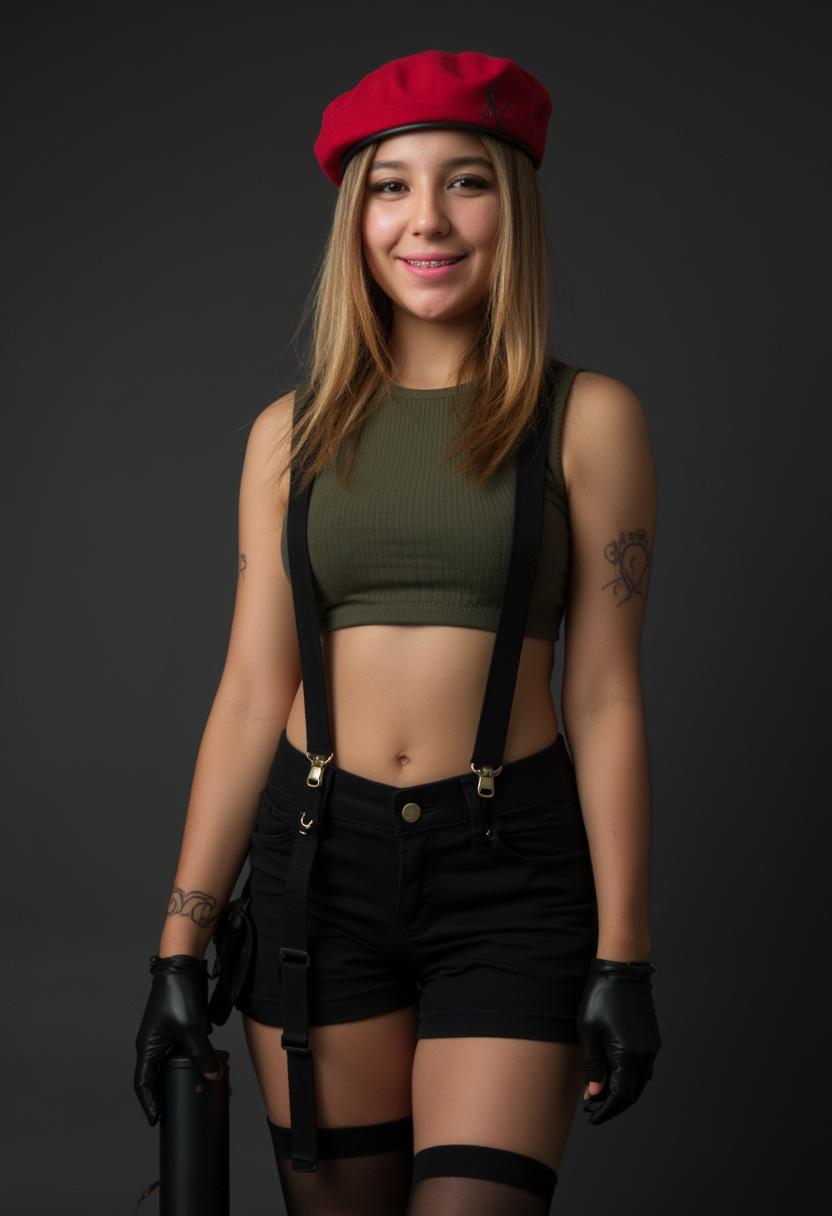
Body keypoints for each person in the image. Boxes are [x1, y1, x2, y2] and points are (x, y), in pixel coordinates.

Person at [134, 48, 661, 1215]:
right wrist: (180, 943)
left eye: (465, 181)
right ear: (354, 218)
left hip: (509, 875)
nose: (427, 219)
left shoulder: (588, 420)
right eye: (389, 186)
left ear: (510, 206)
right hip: (317, 870)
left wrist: (624, 956)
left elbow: (605, 696)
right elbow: (248, 692)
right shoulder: (289, 436)